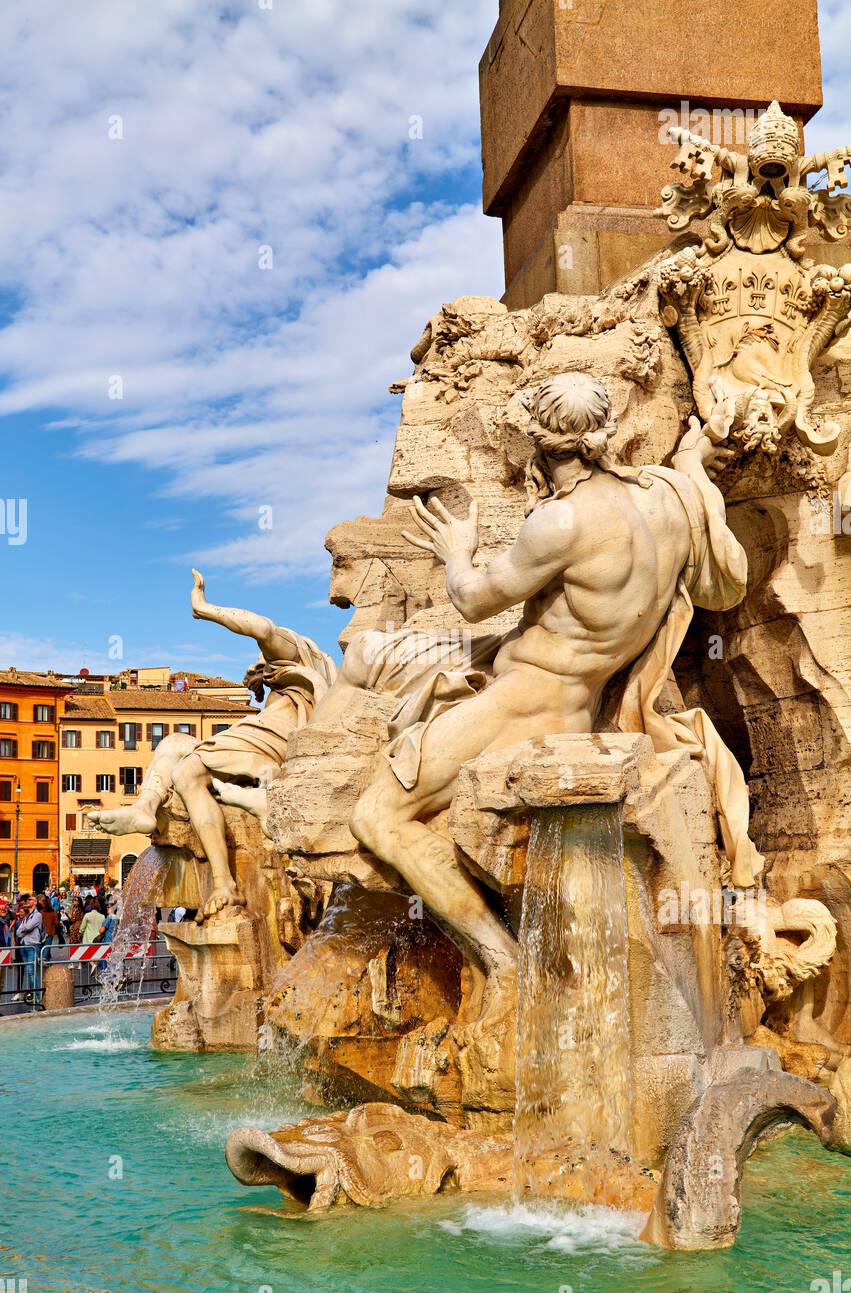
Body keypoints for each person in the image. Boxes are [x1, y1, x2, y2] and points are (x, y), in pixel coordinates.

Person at [350, 373, 760, 1026]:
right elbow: (718, 580)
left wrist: (457, 550)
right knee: (396, 678)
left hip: (521, 706)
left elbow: (476, 598)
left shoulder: (561, 521)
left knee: (377, 817)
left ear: (536, 440)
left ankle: (503, 963)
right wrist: (692, 457)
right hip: (574, 702)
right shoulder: (669, 499)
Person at [87, 570, 338, 919]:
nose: (252, 672)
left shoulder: (297, 659)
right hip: (252, 747)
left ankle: (225, 884)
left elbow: (262, 629)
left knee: (189, 771)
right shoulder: (278, 692)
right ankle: (145, 806)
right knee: (173, 741)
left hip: (273, 747)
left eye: (256, 666)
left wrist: (204, 608)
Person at [13, 895, 44, 1001]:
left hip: (33, 945)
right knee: (28, 971)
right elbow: (18, 931)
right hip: (24, 944)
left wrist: (24, 930)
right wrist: (23, 931)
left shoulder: (38, 915)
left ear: (35, 902)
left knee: (31, 971)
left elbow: (28, 927)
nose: (28, 901)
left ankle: (38, 996)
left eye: (30, 899)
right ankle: (34, 994)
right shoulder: (26, 915)